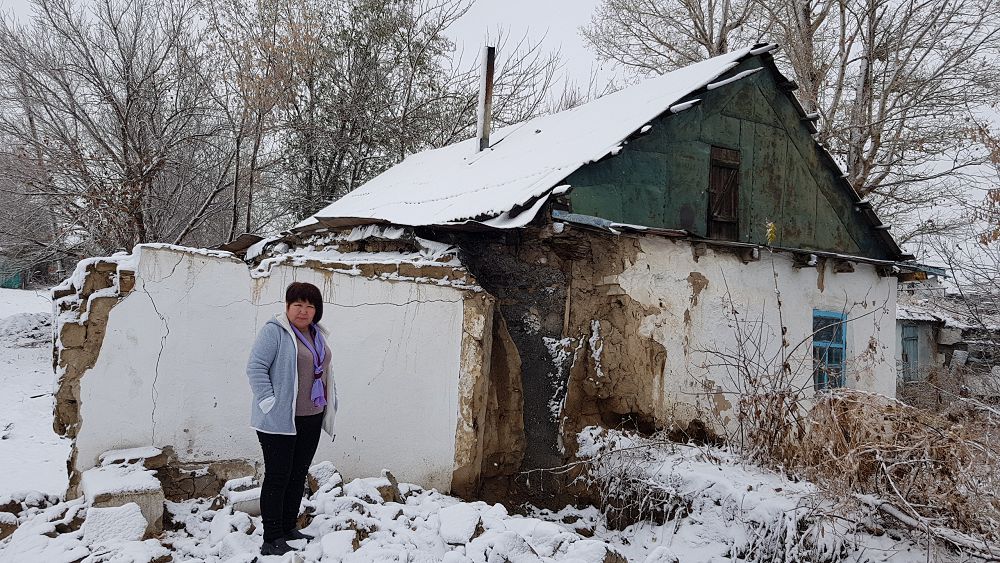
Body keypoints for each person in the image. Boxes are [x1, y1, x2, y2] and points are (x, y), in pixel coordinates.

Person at [246, 281, 337, 556]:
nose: (303, 311)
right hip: (279, 420)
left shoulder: (317, 335)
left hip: (311, 415)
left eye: (310, 306)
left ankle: (287, 527)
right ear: (287, 306)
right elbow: (255, 367)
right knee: (278, 476)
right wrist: (269, 402)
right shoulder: (274, 332)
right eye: (297, 304)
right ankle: (271, 537)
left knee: (297, 475)